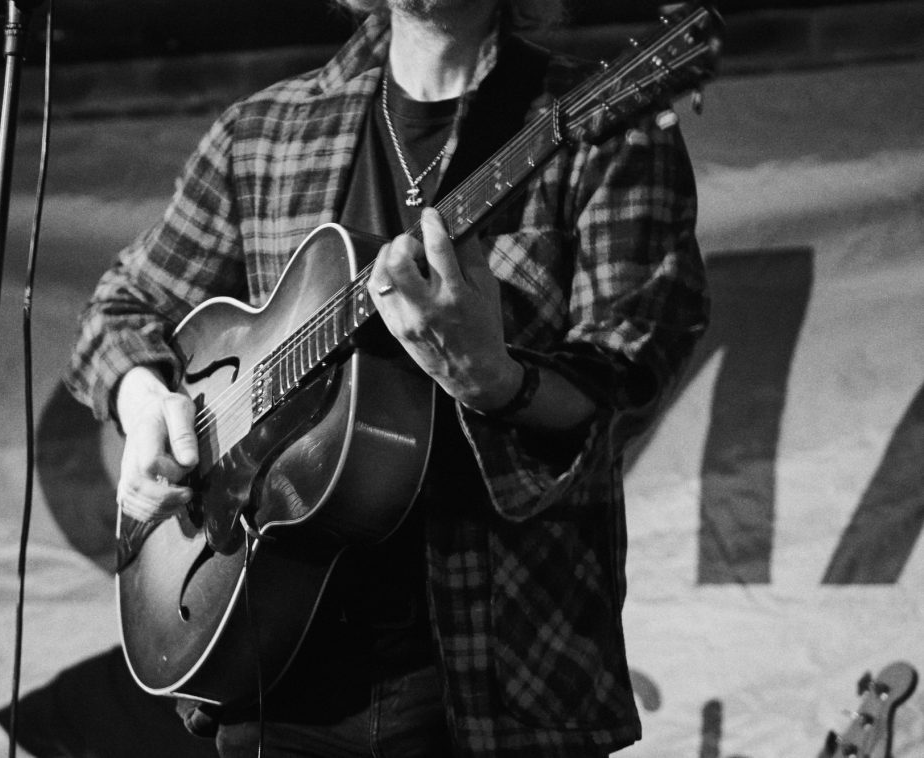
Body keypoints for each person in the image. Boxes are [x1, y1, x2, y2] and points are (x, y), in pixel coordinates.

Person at [64, 0, 710, 755]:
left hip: (496, 680)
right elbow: (119, 309)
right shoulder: (262, 132)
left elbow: (629, 378)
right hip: (269, 671)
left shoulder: (599, 127)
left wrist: (495, 379)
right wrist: (145, 405)